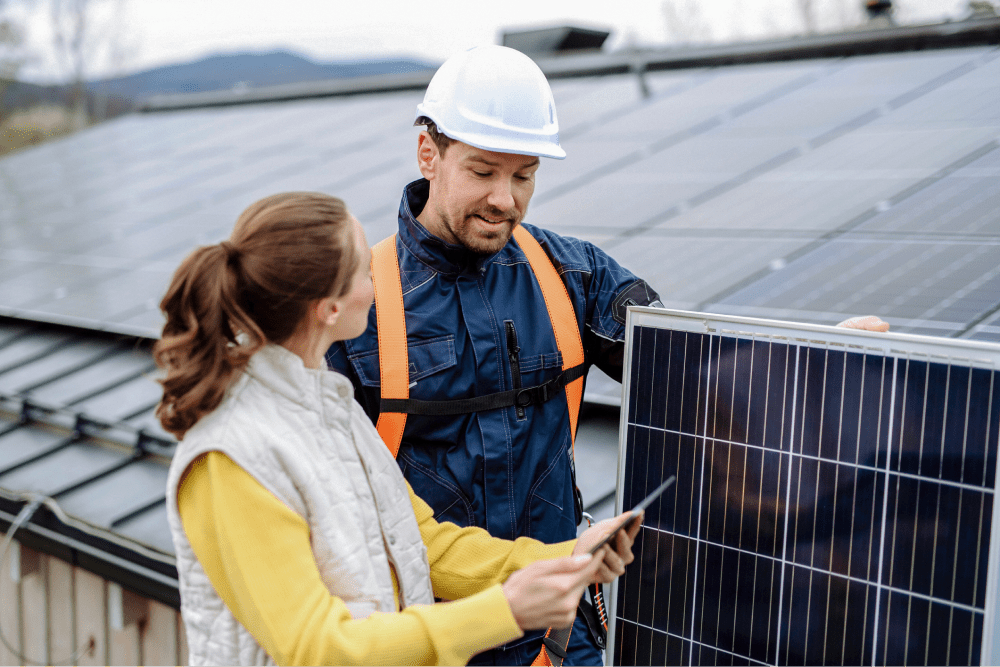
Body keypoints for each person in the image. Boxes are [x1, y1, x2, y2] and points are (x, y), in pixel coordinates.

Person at [325, 45, 891, 666]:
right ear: (428, 153)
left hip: (563, 641)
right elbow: (341, 517)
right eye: (483, 172)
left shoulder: (572, 276)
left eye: (524, 175)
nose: (506, 200)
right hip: (435, 642)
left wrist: (814, 357)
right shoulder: (357, 307)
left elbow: (694, 370)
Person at [156, 192, 640, 666]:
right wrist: (505, 611)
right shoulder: (230, 456)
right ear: (328, 307)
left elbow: (426, 544)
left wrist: (570, 555)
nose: (377, 274)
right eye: (362, 268)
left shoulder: (334, 412)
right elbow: (317, 648)